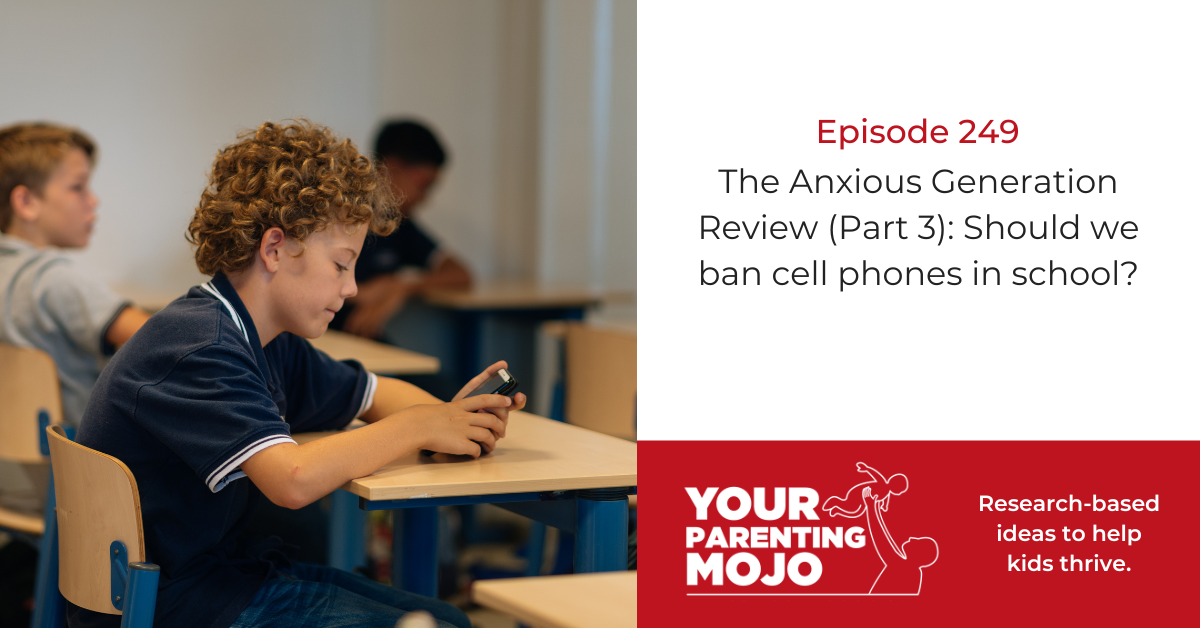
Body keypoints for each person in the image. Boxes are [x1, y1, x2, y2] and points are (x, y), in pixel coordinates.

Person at [73, 120, 526, 628]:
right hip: (169, 602)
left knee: (449, 619)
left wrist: (449, 420)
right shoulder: (200, 347)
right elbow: (292, 480)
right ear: (274, 249)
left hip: (214, 577)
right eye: (340, 265)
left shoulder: (264, 337)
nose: (352, 288)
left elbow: (371, 392)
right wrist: (419, 426)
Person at [0, 123, 150, 428]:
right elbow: (164, 341)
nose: (93, 200)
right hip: (85, 458)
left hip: (30, 462)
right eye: (78, 187)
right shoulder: (53, 278)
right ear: (26, 202)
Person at [335, 120, 471, 339]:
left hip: (365, 343)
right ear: (390, 166)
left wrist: (401, 286)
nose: (425, 198)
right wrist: (357, 294)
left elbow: (461, 275)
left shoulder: (399, 225)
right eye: (423, 185)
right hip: (321, 341)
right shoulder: (337, 213)